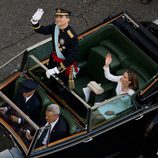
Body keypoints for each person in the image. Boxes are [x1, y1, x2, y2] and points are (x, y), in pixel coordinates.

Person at [31, 8, 79, 89]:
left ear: (68, 19)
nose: (57, 19)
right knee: (51, 77)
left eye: (61, 17)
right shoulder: (55, 27)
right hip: (53, 58)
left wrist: (56, 69)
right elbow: (42, 30)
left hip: (63, 65)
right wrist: (35, 21)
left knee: (61, 82)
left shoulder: (71, 36)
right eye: (57, 16)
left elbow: (72, 56)